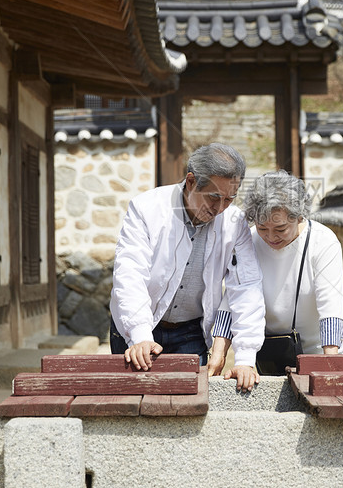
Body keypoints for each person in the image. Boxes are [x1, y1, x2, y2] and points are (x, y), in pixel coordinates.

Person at [109, 143, 265, 391]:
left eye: (229, 199)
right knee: (131, 401)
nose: (220, 208)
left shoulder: (235, 222)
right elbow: (130, 274)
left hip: (190, 331)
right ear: (191, 181)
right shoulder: (147, 208)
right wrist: (139, 335)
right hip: (136, 324)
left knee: (190, 403)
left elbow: (246, 287)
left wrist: (246, 357)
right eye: (214, 197)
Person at [209, 170, 343, 374]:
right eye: (263, 228)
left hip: (320, 352)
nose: (271, 237)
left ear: (299, 216)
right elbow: (233, 299)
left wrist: (331, 367)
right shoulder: (250, 239)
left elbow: (331, 307)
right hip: (270, 352)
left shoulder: (323, 241)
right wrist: (218, 353)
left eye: (280, 229)